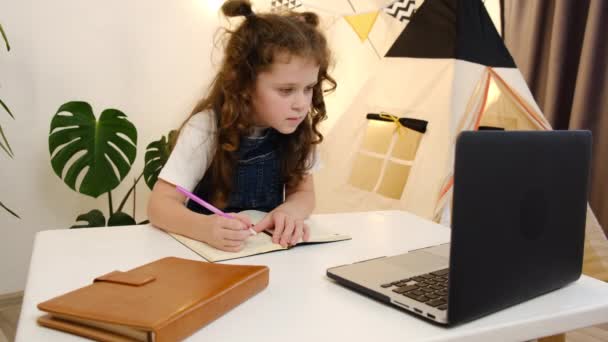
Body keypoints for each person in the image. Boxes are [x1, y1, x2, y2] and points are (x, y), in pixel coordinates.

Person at [147, 0, 336, 252]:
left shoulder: (298, 129)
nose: (301, 104)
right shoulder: (206, 128)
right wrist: (204, 228)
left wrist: (290, 211)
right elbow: (159, 206)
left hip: (267, 256)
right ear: (244, 85)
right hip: (204, 259)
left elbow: (303, 193)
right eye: (286, 90)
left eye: (308, 88)